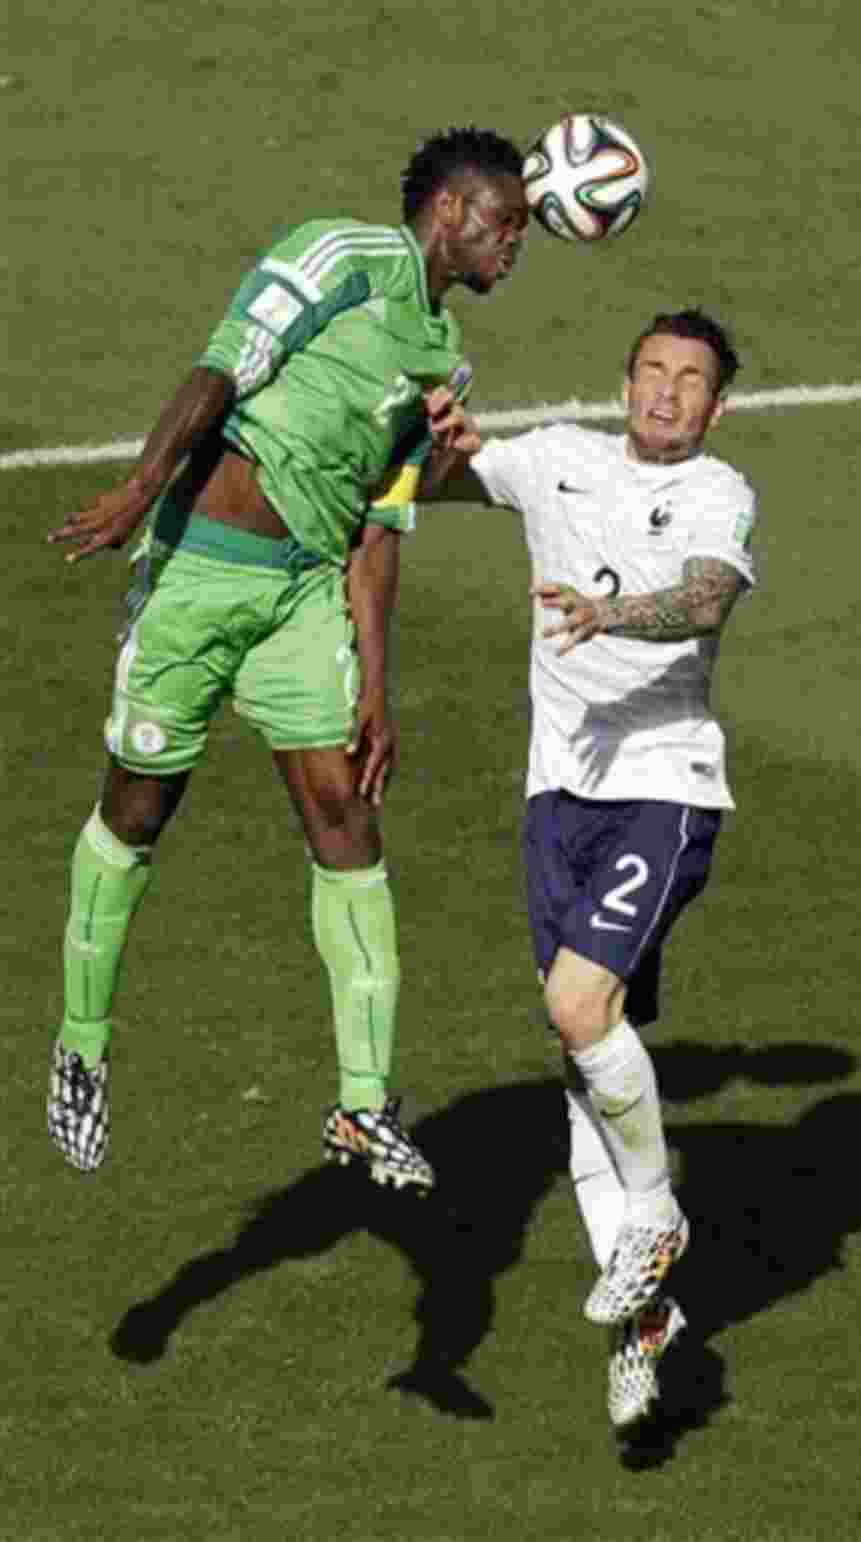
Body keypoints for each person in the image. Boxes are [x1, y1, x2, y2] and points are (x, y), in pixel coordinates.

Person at [45, 127, 529, 1192]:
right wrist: (140, 488)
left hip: (304, 596)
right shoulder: (339, 255)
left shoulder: (444, 361)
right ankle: (80, 1047)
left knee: (346, 818)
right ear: (449, 210)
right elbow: (223, 367)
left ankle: (364, 1105)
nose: (514, 246)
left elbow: (379, 526)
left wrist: (377, 686)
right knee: (137, 812)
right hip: (200, 573)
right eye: (505, 224)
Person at [422, 309, 757, 1430]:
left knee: (576, 1006)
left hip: (663, 786)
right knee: (587, 1053)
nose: (666, 392)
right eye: (652, 371)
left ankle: (654, 1216)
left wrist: (610, 613)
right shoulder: (557, 457)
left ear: (716, 407)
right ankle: (643, 1322)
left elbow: (708, 595)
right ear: (624, 383)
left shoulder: (716, 491)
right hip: (555, 798)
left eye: (691, 380)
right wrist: (432, 438)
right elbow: (435, 483)